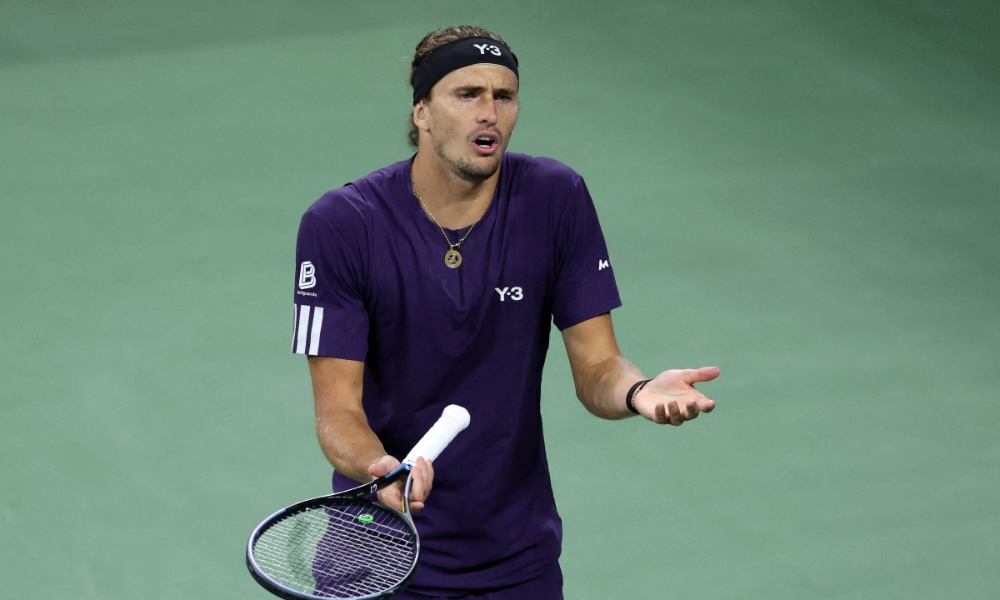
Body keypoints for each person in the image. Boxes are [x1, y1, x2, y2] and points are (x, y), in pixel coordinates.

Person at [291, 25, 721, 600]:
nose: (489, 113)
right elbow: (336, 412)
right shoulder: (344, 224)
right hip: (379, 552)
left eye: (504, 96)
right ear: (421, 111)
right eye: (467, 94)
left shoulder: (554, 198)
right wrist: (379, 465)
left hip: (513, 558)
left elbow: (598, 367)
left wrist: (638, 391)